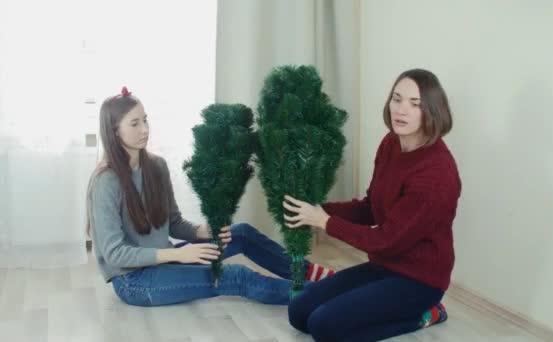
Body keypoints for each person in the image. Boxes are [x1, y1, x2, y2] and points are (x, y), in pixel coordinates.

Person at [86, 87, 334, 307]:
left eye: (146, 120)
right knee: (236, 276)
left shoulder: (156, 166)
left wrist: (202, 232)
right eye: (134, 123)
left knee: (242, 233)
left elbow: (173, 223)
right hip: (134, 280)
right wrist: (178, 255)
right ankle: (324, 294)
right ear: (114, 131)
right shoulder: (106, 181)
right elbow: (114, 254)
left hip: (166, 260)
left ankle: (312, 274)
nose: (145, 129)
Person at [284, 69, 461, 341]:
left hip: (419, 280)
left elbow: (387, 240)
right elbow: (370, 208)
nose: (401, 110)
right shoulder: (391, 143)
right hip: (384, 267)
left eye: (415, 104)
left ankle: (425, 315)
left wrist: (323, 221)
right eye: (396, 99)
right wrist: (318, 209)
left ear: (432, 111)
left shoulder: (436, 174)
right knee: (299, 312)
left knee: (323, 326)